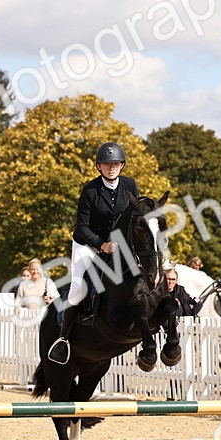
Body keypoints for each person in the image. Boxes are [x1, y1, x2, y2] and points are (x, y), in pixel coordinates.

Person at [48, 141, 141, 364]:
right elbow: (82, 227)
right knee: (78, 289)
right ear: (99, 166)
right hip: (87, 244)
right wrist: (102, 244)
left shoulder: (130, 185)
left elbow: (134, 217)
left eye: (116, 163)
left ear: (122, 165)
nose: (112, 167)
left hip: (119, 245)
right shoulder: (90, 190)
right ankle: (63, 339)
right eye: (107, 164)